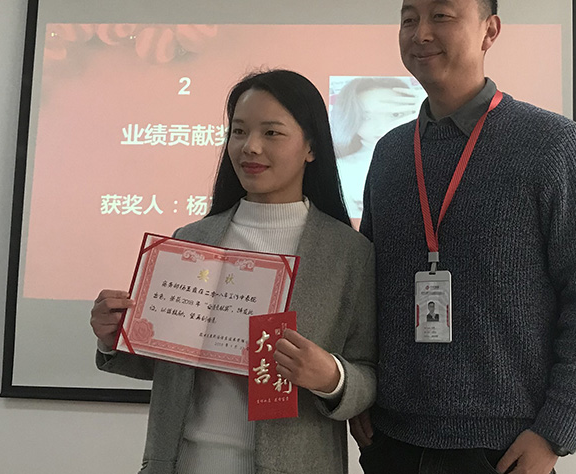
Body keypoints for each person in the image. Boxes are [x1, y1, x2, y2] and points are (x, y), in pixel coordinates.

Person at [350, 0, 576, 474]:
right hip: (393, 440)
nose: (420, 32)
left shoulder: (551, 144)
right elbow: (366, 290)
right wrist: (358, 386)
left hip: (505, 447)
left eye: (441, 16)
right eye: (408, 19)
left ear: (489, 31)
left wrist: (556, 430)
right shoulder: (391, 152)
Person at [90, 69, 376, 474]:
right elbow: (165, 364)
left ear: (311, 147)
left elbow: (369, 374)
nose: (250, 147)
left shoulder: (348, 253)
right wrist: (113, 336)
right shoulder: (192, 240)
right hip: (183, 463)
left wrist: (332, 377)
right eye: (239, 132)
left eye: (271, 133)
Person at [330, 77, 425, 218]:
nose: (381, 126)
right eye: (366, 117)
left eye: (395, 114)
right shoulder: (342, 168)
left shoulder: (429, 162)